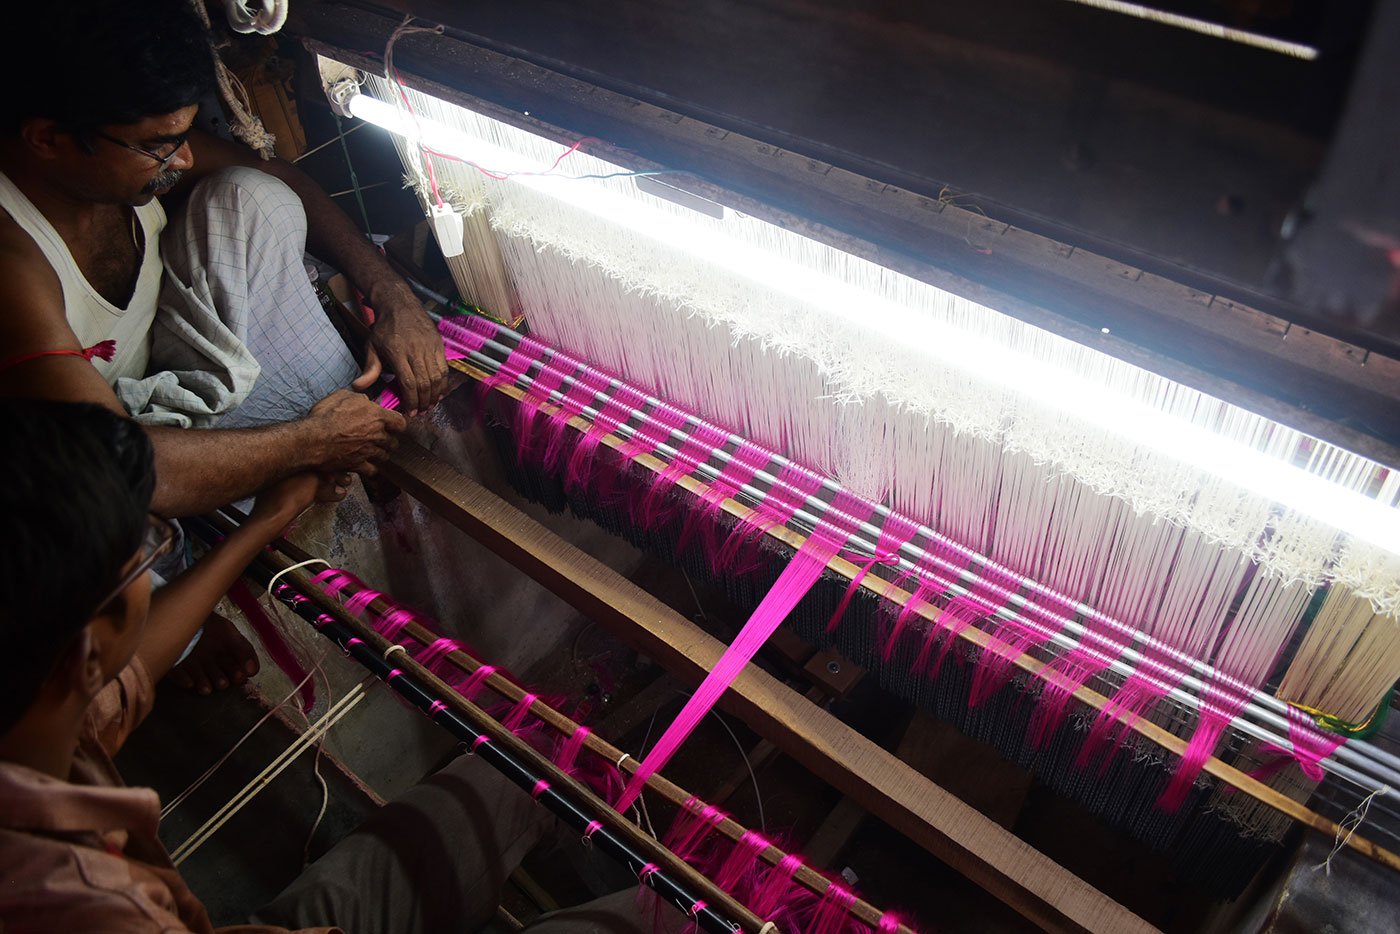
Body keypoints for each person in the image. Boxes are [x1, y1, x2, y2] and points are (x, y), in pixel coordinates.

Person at [0, 399, 658, 933]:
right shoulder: (90, 904)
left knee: (527, 765)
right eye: (144, 557)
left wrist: (272, 517)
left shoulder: (35, 702)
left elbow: (127, 669)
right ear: (90, 650)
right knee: (662, 922)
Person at [0, 0, 449, 692]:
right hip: (77, 462)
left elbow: (283, 180)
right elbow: (125, 475)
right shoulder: (13, 262)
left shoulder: (115, 155)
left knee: (250, 196)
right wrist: (309, 443)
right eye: (156, 144)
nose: (179, 157)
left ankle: (275, 468)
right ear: (48, 139)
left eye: (182, 134)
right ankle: (189, 578)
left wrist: (393, 297)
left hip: (170, 378)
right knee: (84, 563)